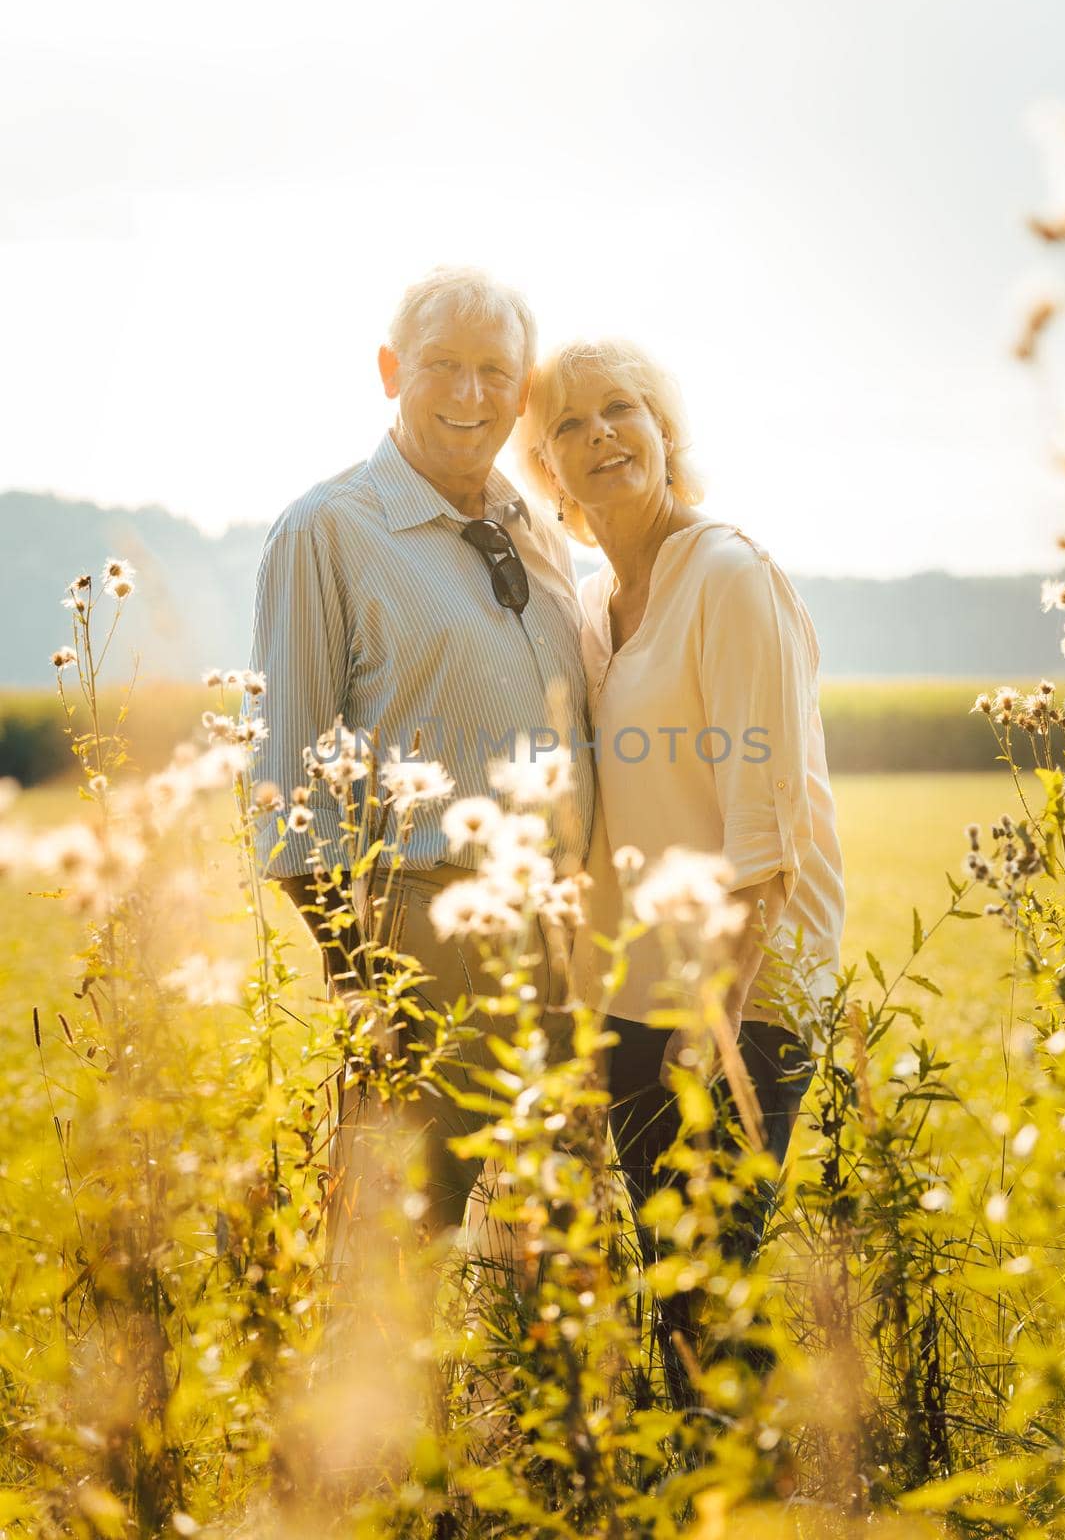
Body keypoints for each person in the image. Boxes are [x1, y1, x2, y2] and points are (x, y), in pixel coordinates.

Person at [247, 268, 595, 1275]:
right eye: (443, 365)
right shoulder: (327, 531)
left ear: (524, 389)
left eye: (497, 371)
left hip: (566, 950)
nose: (470, 394)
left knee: (556, 1284)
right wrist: (375, 995)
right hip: (420, 940)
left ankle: (515, 1438)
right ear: (392, 370)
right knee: (389, 1272)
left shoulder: (540, 529)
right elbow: (290, 794)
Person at [517, 338, 844, 1402]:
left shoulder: (727, 575)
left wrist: (716, 1041)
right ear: (547, 469)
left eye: (623, 409)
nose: (600, 434)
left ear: (665, 434)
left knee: (713, 1298)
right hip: (634, 1002)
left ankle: (744, 1505)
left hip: (742, 1003)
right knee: (680, 1299)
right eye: (568, 424)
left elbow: (769, 836)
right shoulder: (591, 606)